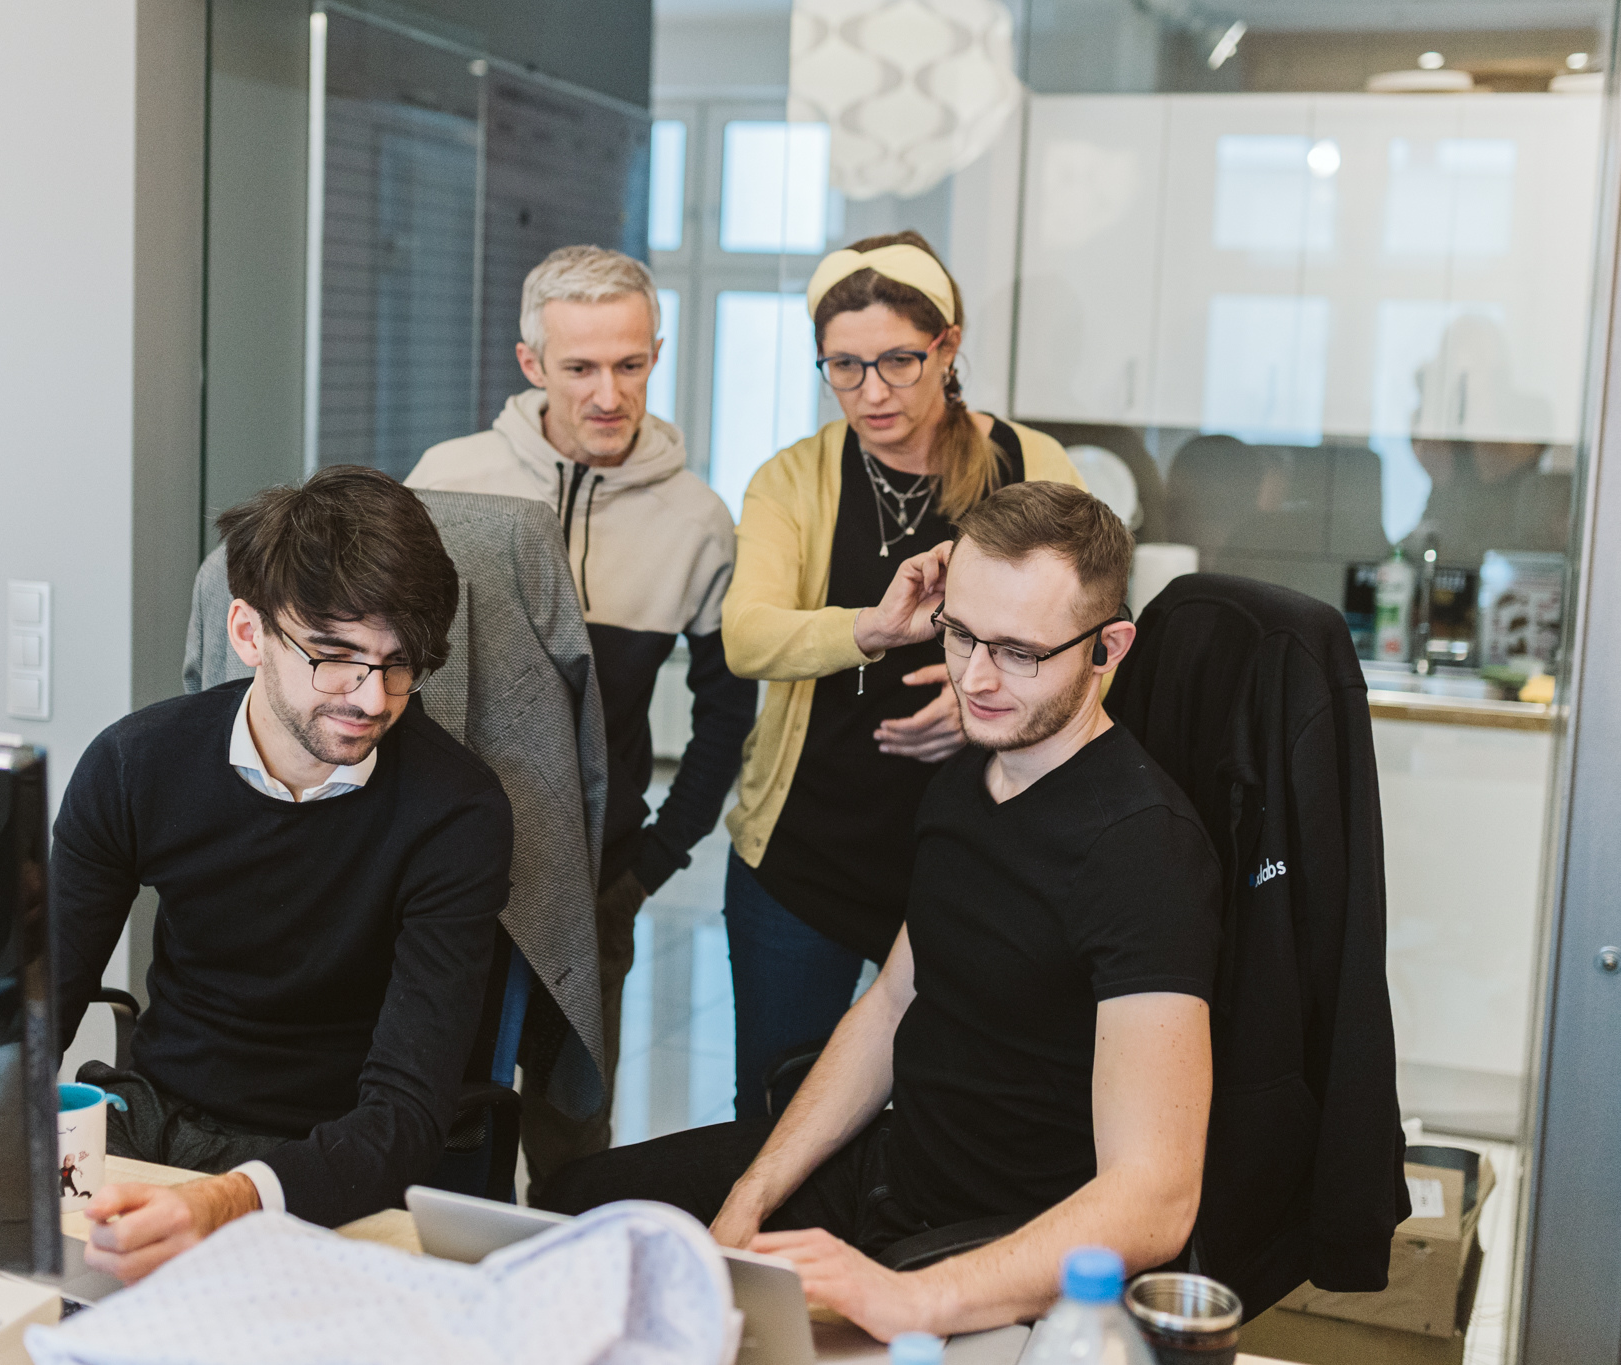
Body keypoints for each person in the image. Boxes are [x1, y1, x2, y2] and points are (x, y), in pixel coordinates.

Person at [539, 482, 1222, 1341]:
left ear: (1107, 647)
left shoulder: (1143, 850)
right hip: (896, 1173)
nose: (975, 678)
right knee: (580, 1210)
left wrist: (911, 1299)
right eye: (962, 632)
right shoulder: (968, 778)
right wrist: (752, 1190)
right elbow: (892, 1004)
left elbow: (1156, 1194)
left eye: (1017, 651)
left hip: (1004, 1238)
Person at [52, 466, 513, 1284]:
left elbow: (404, 1115)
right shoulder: (135, 766)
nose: (371, 698)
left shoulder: (457, 813)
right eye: (334, 657)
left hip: (326, 1162)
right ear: (246, 631)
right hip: (150, 1124)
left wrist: (227, 1200)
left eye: (398, 663)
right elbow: (36, 1006)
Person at [721, 230, 1085, 1119]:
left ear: (949, 347)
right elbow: (747, 634)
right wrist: (871, 629)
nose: (870, 392)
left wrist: (983, 711)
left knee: (946, 1113)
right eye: (842, 367)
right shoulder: (793, 479)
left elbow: (1095, 645)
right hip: (803, 860)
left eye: (897, 361)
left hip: (978, 858)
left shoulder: (1033, 468)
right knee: (778, 1110)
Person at [407, 244, 755, 1174]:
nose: (610, 393)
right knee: (432, 1104)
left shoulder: (697, 521)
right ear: (532, 366)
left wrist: (649, 863)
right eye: (581, 368)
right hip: (446, 867)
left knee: (571, 1131)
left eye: (632, 364)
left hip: (598, 873)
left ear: (656, 354)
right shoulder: (450, 479)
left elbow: (728, 715)